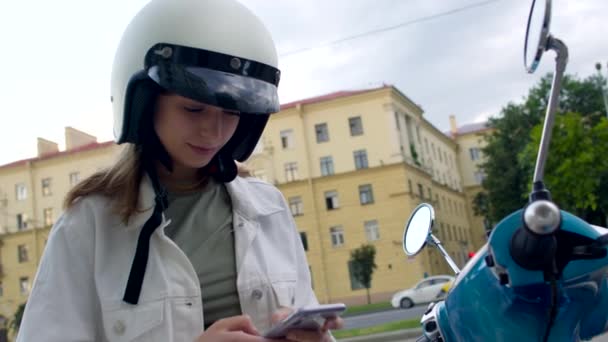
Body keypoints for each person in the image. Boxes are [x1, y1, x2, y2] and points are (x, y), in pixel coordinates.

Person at [17, 0, 343, 340]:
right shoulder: (88, 225)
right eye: (193, 108)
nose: (214, 132)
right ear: (143, 103)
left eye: (232, 113)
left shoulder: (270, 209)